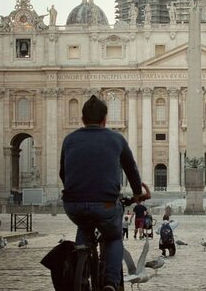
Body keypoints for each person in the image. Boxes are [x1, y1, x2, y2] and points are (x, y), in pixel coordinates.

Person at [60, 94, 150, 291]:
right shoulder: (116, 138)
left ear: (82, 120)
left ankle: (80, 269)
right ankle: (110, 282)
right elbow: (131, 170)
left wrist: (75, 190)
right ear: (105, 120)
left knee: (83, 225)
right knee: (113, 237)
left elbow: (62, 173)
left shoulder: (69, 140)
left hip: (72, 204)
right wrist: (137, 193)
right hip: (105, 204)